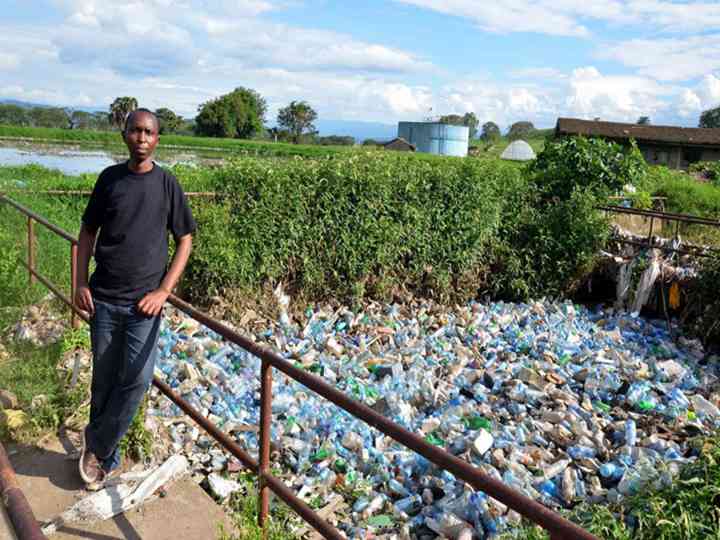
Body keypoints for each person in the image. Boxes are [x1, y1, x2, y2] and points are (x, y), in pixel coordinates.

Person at [74, 108, 196, 488]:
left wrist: (163, 291)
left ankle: (95, 442)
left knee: (138, 379)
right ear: (124, 134)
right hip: (105, 299)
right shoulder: (110, 180)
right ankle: (104, 458)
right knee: (104, 380)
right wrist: (79, 282)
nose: (141, 138)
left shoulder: (167, 184)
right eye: (135, 131)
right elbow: (87, 232)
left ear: (157, 139)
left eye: (149, 132)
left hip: (145, 305)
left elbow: (185, 240)